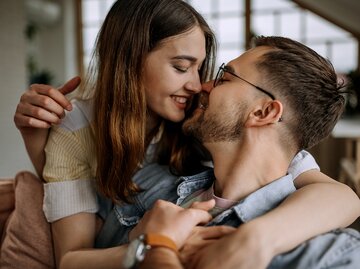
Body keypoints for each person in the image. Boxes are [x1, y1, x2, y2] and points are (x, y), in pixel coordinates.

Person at [13, 0, 359, 267]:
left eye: (218, 76)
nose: (198, 85)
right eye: (181, 67)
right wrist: (151, 245)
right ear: (131, 60)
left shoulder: (322, 249)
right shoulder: (145, 179)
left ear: (264, 112)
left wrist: (255, 239)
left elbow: (340, 195)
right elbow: (73, 257)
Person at [129, 36, 360, 269]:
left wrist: (157, 246)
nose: (203, 85)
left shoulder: (330, 257)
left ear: (263, 112)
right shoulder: (148, 184)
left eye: (225, 78)